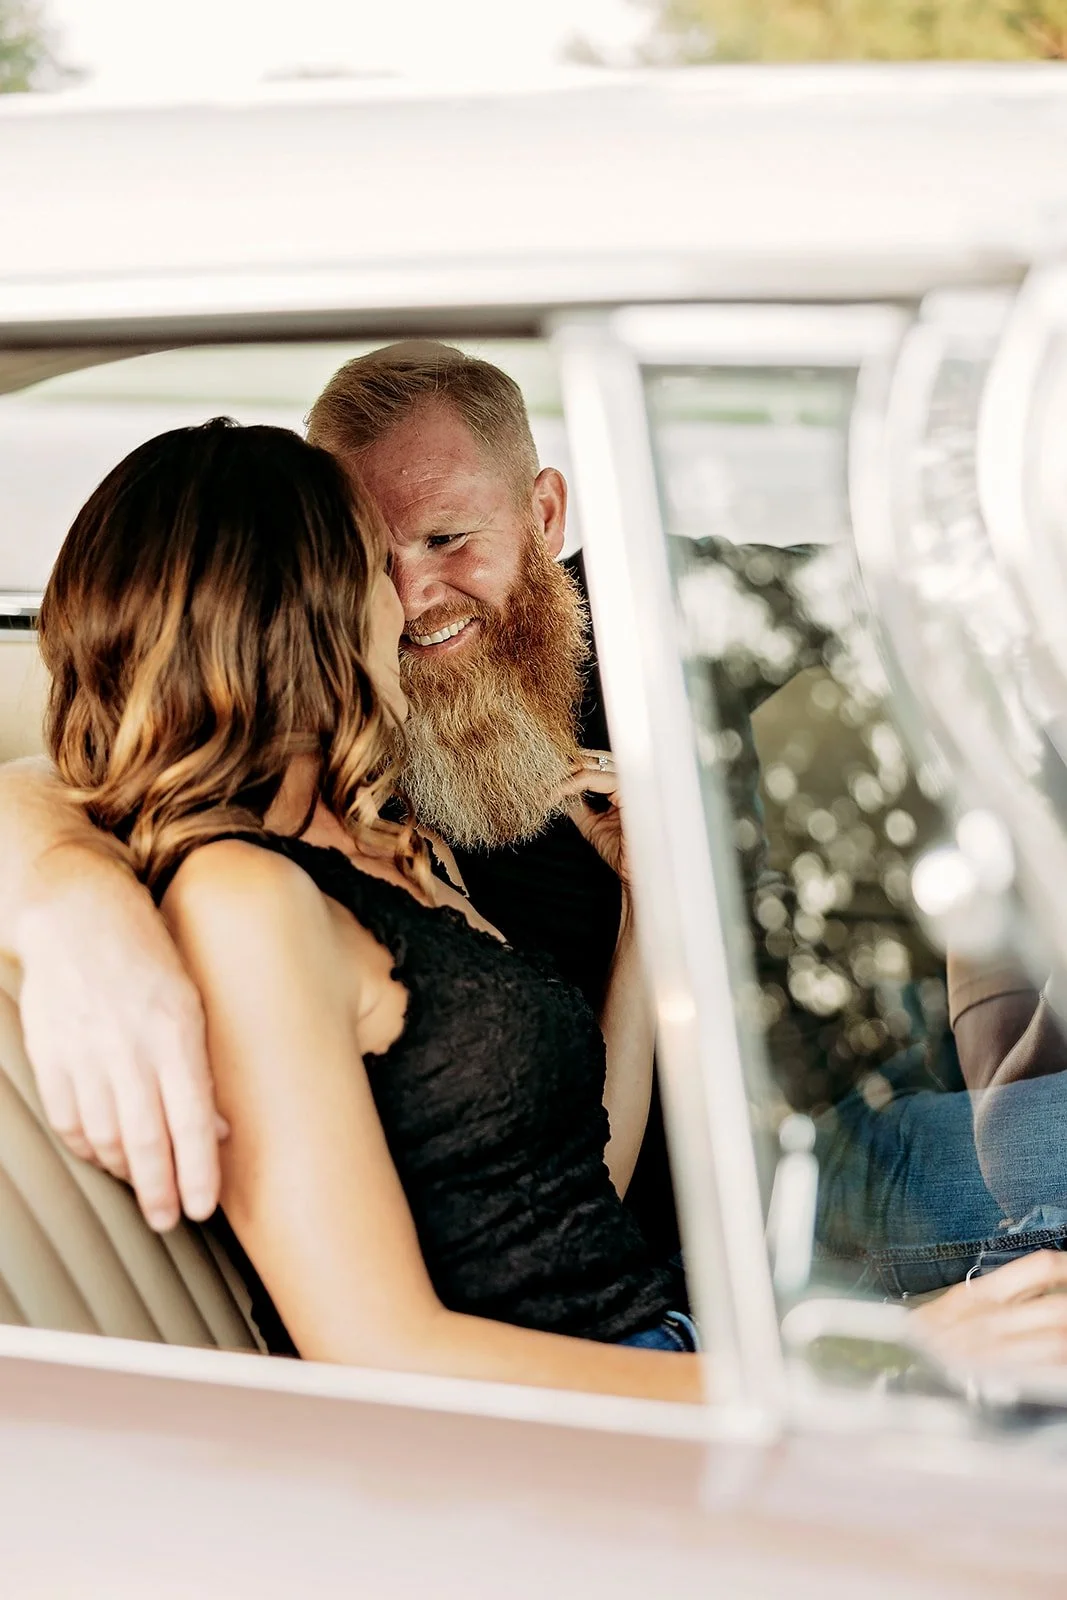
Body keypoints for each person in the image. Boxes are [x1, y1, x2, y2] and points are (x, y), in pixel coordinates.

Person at [1, 340, 1066, 1296]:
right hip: (681, 1231)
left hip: (813, 1120)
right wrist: (62, 899)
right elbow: (98, 768)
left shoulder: (663, 607)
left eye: (448, 537)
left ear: (544, 515)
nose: (414, 594)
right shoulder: (330, 741)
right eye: (372, 560)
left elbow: (938, 605)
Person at [30, 416, 700, 1396]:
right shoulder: (243, 900)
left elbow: (574, 1174)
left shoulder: (385, 839)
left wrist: (643, 914)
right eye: (375, 564)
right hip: (586, 1425)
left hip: (662, 1340)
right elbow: (379, 1348)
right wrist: (791, 1393)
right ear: (310, 609)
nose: (406, 601)